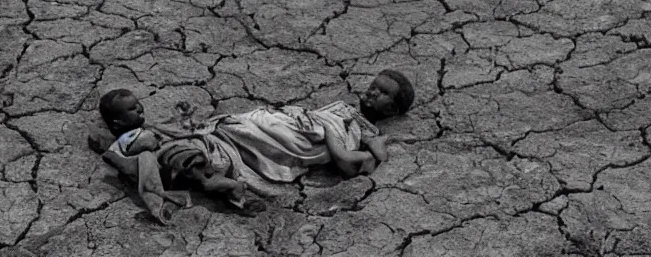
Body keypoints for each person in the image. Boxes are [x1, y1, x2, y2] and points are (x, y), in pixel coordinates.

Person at [93, 70, 415, 223]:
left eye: (383, 93)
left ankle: (203, 169)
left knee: (216, 145)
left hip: (295, 133)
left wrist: (376, 147)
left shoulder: (353, 124)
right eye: (374, 85)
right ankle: (175, 156)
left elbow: (345, 159)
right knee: (217, 134)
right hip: (281, 123)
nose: (372, 92)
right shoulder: (343, 109)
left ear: (392, 111)